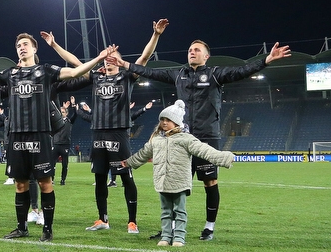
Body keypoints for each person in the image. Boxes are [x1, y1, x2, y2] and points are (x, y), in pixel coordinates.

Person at [111, 39, 291, 240]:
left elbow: (241, 71)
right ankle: (168, 228)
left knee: (210, 182)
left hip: (207, 136)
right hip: (180, 137)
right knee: (174, 184)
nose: (191, 52)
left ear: (206, 56)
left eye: (197, 50)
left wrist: (266, 60)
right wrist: (125, 64)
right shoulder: (179, 74)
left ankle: (209, 227)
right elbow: (151, 72)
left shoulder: (214, 74)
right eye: (189, 50)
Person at [0, 35, 116, 241]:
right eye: (18, 45)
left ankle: (47, 229)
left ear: (35, 49)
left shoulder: (45, 71)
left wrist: (99, 58)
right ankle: (22, 228)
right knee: (20, 184)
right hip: (16, 137)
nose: (21, 48)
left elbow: (75, 72)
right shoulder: (11, 74)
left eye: (25, 44)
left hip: (40, 135)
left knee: (45, 183)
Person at [41, 20, 167, 235]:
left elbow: (144, 58)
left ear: (118, 60)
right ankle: (103, 218)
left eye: (112, 58)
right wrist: (54, 45)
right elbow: (75, 63)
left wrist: (155, 35)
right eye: (106, 58)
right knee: (99, 178)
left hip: (118, 133)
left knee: (126, 177)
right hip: (98, 132)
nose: (108, 61)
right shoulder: (97, 76)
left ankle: (132, 221)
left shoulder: (127, 76)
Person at [123, 101, 235, 246]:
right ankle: (165, 236)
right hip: (162, 181)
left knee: (180, 212)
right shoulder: (156, 139)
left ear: (176, 122)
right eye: (162, 119)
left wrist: (224, 157)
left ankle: (179, 237)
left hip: (179, 182)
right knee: (165, 212)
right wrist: (129, 162)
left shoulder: (186, 139)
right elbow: (144, 154)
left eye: (168, 120)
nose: (164, 122)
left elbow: (204, 150)